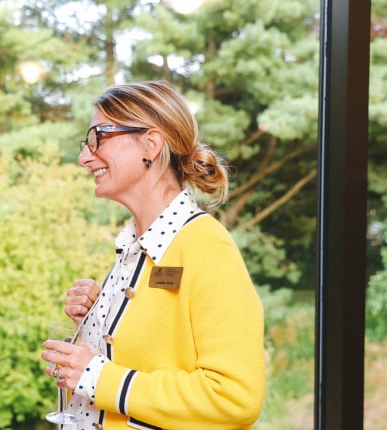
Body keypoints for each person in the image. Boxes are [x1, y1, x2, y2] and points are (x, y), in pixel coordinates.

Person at [41, 81, 265, 429]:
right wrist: (96, 317)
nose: (84, 157)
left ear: (150, 143)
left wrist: (99, 377)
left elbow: (234, 398)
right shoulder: (134, 247)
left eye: (98, 137)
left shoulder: (208, 249)